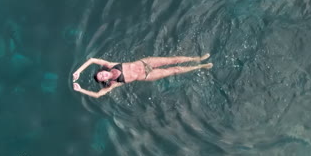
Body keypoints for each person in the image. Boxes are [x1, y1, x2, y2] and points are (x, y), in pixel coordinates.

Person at [72, 54, 212, 97]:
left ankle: (197, 58)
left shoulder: (110, 64)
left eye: (100, 73)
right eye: (102, 77)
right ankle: (200, 66)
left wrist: (78, 71)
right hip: (147, 75)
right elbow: (98, 95)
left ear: (102, 70)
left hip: (145, 62)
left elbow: (91, 60)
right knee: (175, 69)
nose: (102, 74)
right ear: (106, 80)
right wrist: (81, 90)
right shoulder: (114, 82)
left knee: (172, 60)